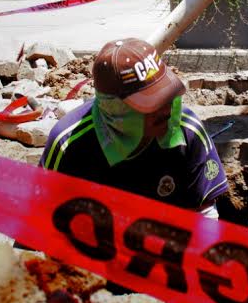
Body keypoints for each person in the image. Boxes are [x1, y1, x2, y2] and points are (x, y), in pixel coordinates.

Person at [40, 38, 229, 218]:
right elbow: (36, 222)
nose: (167, 108)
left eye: (166, 94)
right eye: (153, 102)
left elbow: (204, 214)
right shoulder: (69, 144)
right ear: (115, 110)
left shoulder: (187, 131)